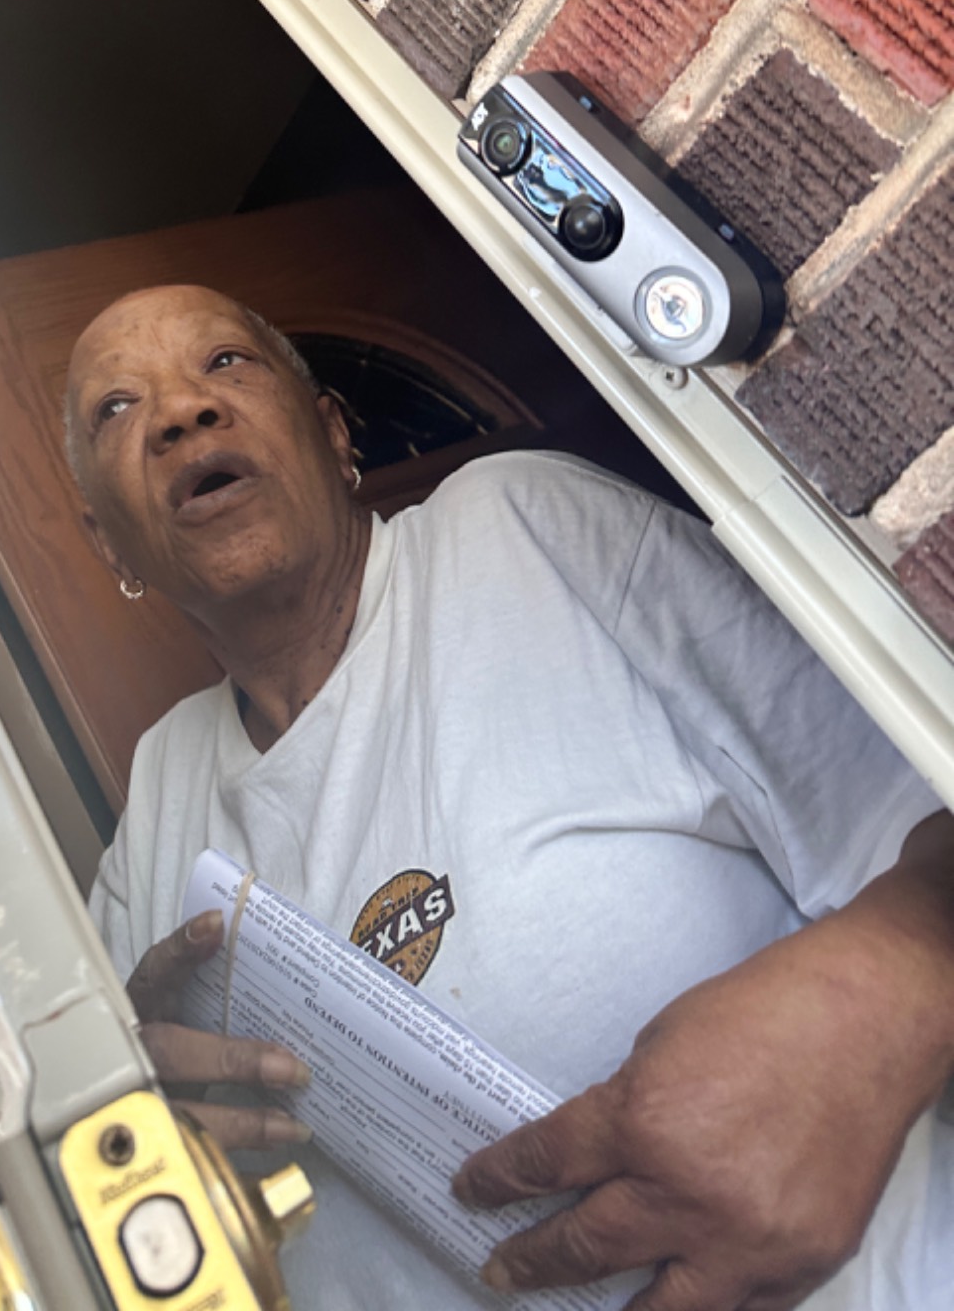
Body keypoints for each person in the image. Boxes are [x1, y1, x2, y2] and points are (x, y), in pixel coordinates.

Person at [66, 283, 954, 1311]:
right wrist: (135, 1144)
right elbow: (90, 1185)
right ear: (108, 543)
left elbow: (921, 799)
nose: (182, 411)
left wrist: (869, 1008)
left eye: (226, 362)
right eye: (117, 408)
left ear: (333, 431)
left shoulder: (519, 529)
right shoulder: (163, 791)